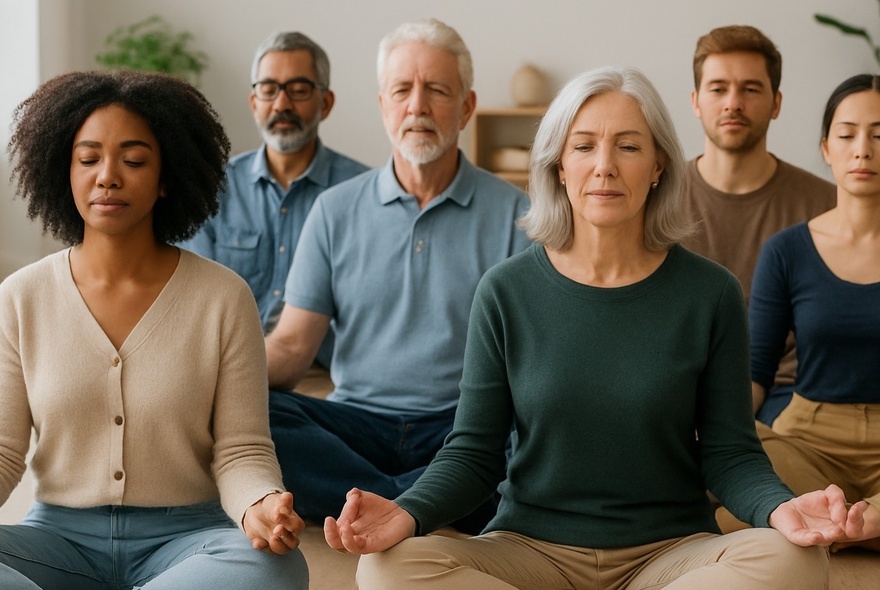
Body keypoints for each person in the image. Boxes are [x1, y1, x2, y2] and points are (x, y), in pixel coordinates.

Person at [323, 66, 869, 590]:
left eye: (628, 146)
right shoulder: (506, 291)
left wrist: (779, 507)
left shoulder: (711, 292)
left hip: (671, 551)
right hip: (529, 549)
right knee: (386, 568)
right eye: (584, 146)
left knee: (792, 559)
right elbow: (472, 453)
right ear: (559, 165)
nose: (604, 165)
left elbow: (730, 453)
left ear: (658, 165)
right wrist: (409, 512)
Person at [0, 70, 308, 589]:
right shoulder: (20, 296)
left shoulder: (223, 297)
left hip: (189, 542)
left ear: (167, 177)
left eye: (134, 160)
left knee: (276, 568)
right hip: (57, 544)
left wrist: (261, 503)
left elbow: (242, 449)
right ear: (63, 172)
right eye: (89, 158)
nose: (108, 176)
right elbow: (4, 450)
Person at [264, 18, 530, 530]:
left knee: (528, 435)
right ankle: (414, 502)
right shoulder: (334, 210)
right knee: (260, 415)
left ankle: (371, 503)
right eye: (402, 90)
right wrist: (215, 383)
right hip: (355, 424)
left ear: (467, 107)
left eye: (437, 90)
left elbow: (528, 363)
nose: (418, 107)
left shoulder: (516, 215)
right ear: (384, 104)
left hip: (462, 430)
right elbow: (294, 348)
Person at [741, 73, 880, 551]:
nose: (863, 149)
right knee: (728, 468)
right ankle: (851, 523)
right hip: (810, 439)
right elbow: (757, 370)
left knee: (764, 527)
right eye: (847, 135)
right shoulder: (786, 250)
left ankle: (839, 524)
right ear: (826, 147)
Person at [179, 31, 368, 367]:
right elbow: (196, 304)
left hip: (328, 383)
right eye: (268, 90)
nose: (281, 104)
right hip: (228, 373)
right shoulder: (213, 189)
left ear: (325, 103)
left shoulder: (363, 192)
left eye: (298, 90)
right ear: (254, 103)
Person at [685, 25, 836, 425]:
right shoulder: (655, 199)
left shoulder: (826, 203)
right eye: (718, 89)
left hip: (798, 400)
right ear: (696, 101)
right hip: (681, 388)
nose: (733, 103)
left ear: (776, 103)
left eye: (750, 89)